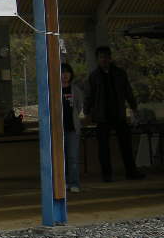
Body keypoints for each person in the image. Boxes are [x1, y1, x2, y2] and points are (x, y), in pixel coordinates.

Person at [85, 46, 143, 181]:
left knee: (126, 145)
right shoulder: (94, 76)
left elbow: (128, 91)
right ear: (97, 59)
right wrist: (87, 112)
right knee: (103, 148)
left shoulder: (120, 74)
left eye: (106, 57)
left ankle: (131, 172)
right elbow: (90, 96)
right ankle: (107, 175)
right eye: (101, 57)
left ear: (110, 58)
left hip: (118, 113)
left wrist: (134, 106)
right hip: (102, 116)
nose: (104, 60)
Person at [61, 63, 85, 193]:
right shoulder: (53, 90)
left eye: (67, 72)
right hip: (59, 130)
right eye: (62, 72)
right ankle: (63, 182)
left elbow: (79, 106)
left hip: (73, 129)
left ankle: (74, 183)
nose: (65, 75)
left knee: (73, 157)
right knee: (61, 157)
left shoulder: (75, 90)